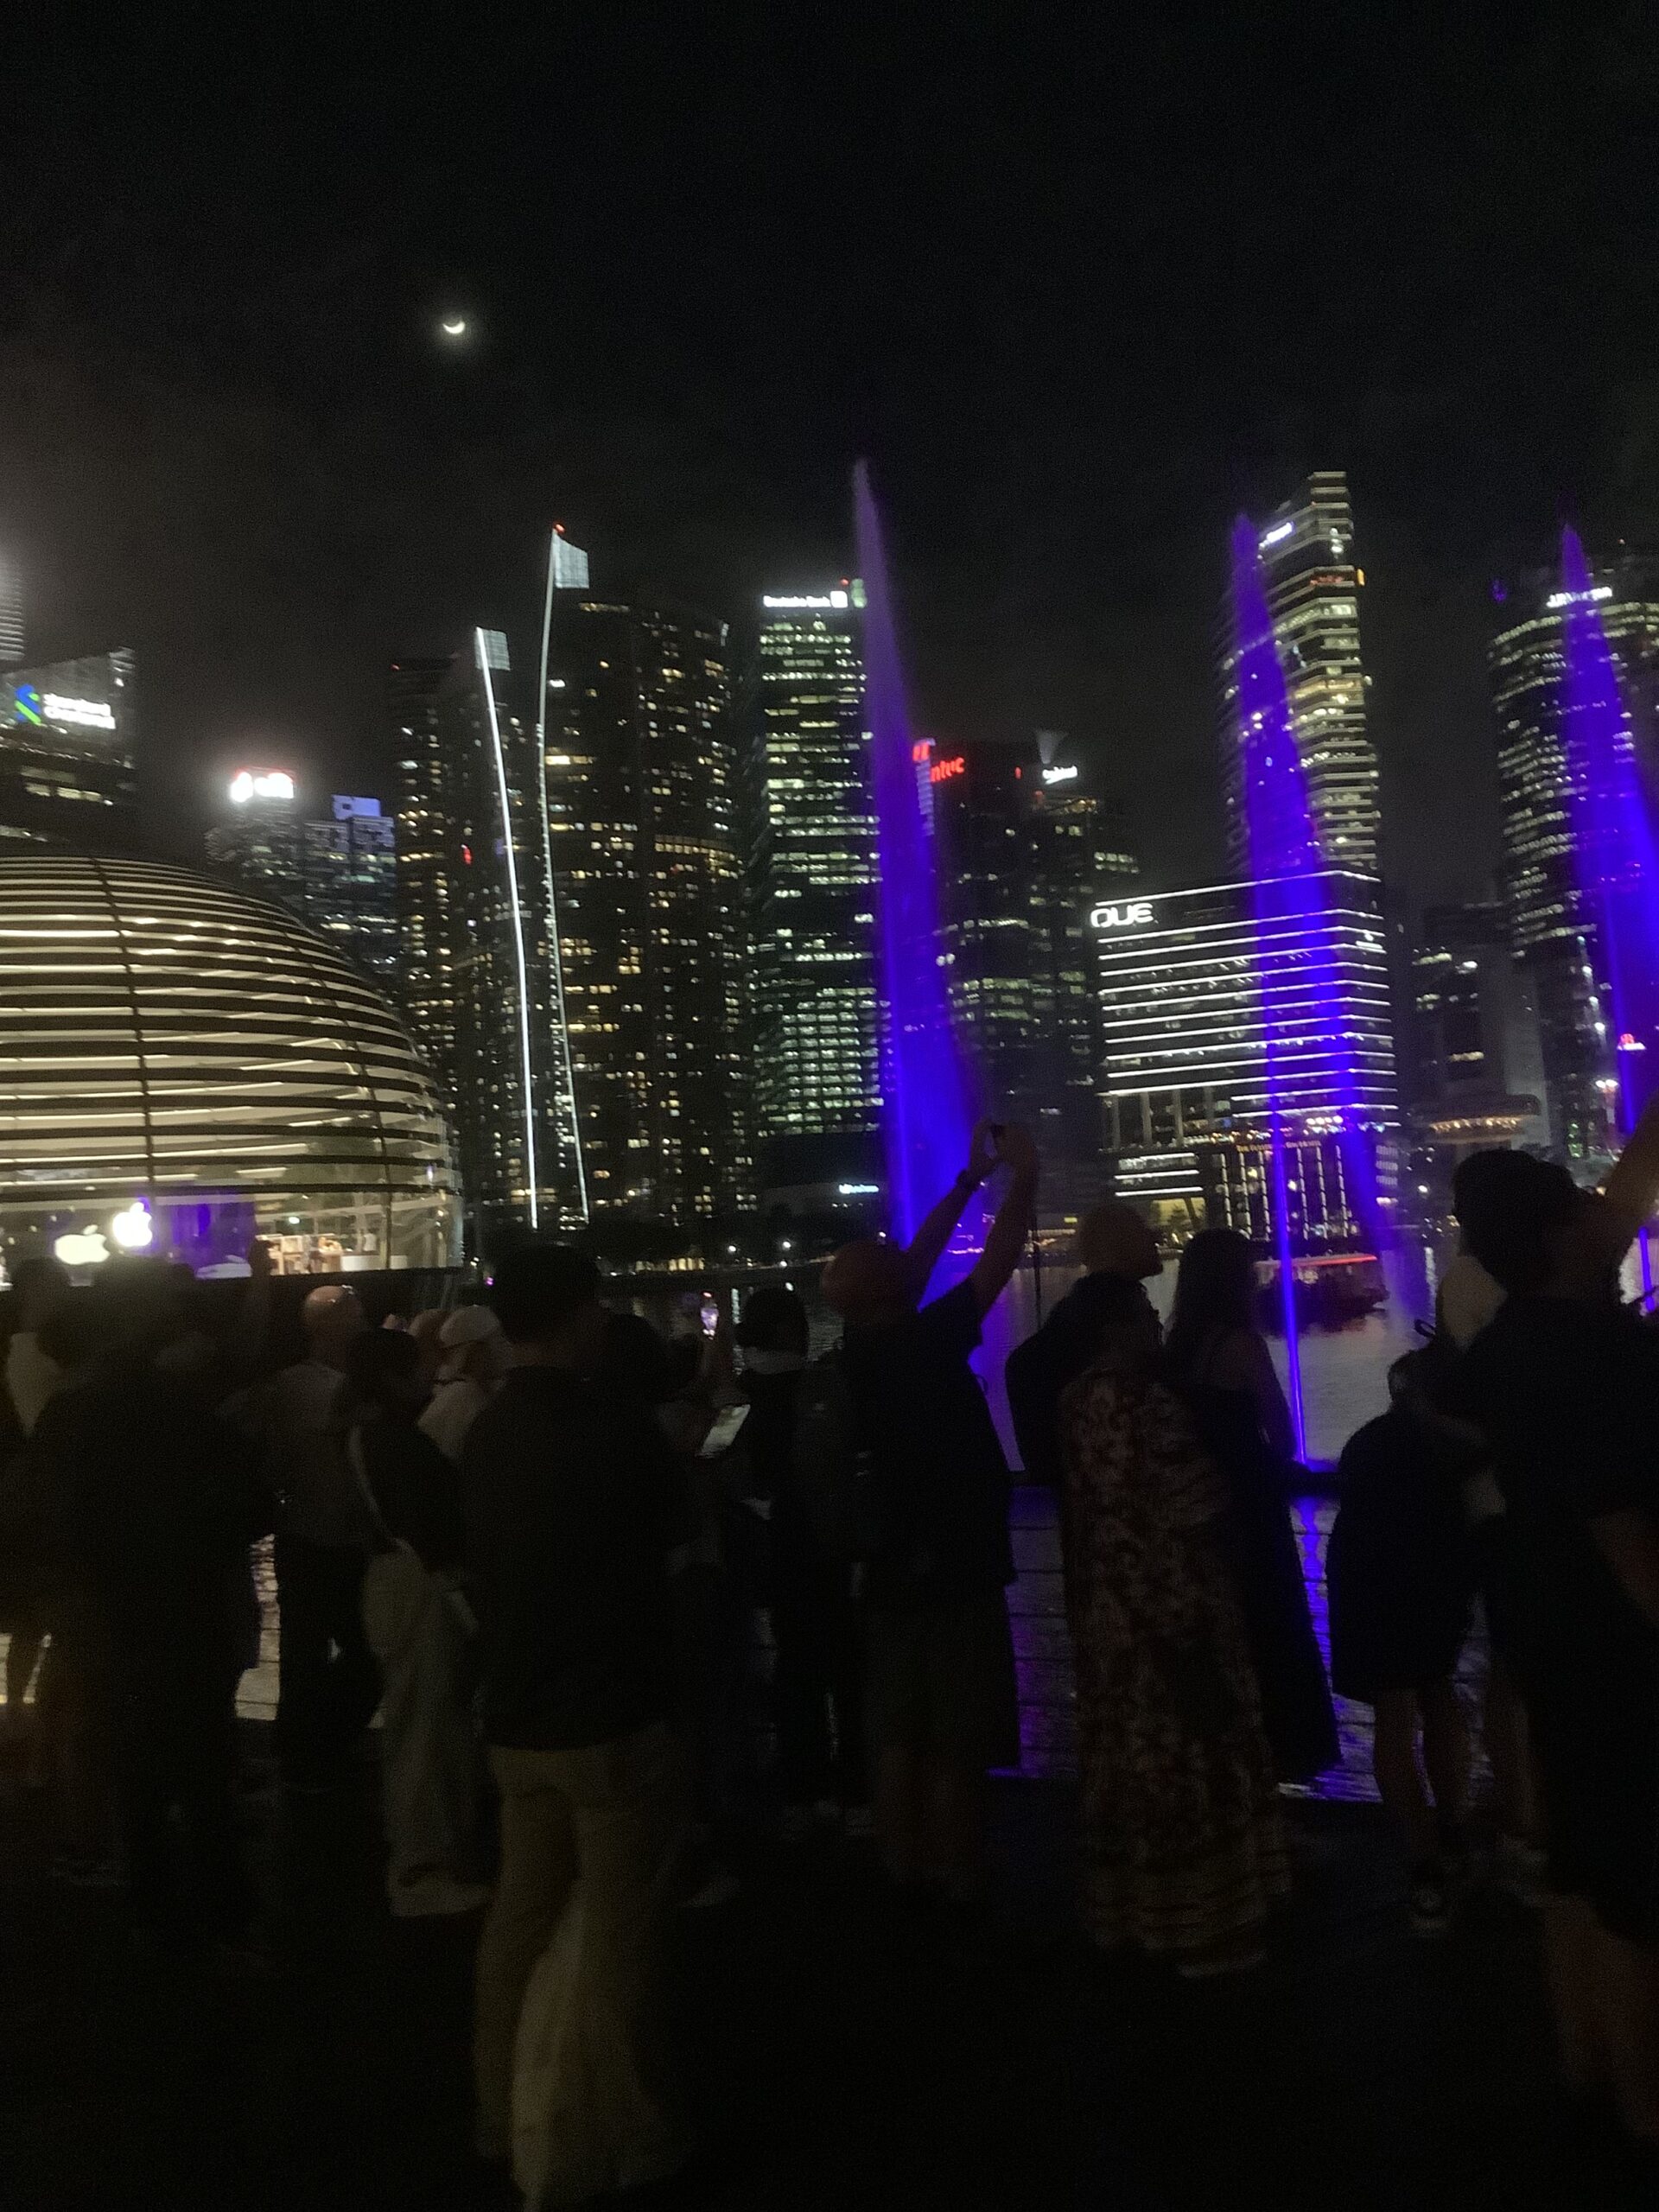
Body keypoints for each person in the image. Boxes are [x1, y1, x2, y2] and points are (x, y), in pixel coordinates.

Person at [464, 1246, 694, 2203]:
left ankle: (497, 2113)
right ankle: (632, 2132)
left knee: (518, 1919)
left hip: (517, 1715)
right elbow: (673, 1538)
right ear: (575, 1316)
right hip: (608, 1715)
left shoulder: (489, 1429)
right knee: (622, 1932)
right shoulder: (612, 1427)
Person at [1446, 1127, 1659, 2154]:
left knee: (1575, 1856)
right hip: (1622, 1638)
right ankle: (1647, 2105)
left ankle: (1586, 2066)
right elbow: (1624, 1530)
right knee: (1639, 1881)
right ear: (1557, 1233)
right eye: (1582, 1202)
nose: (1602, 1215)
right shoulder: (1593, 1352)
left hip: (1543, 1620)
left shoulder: (1508, 1341)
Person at [822, 1118, 1038, 1907]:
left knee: (898, 1733)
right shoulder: (926, 1343)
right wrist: (1025, 1178)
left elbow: (910, 1265)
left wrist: (967, 1182)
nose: (906, 1256)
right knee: (956, 1734)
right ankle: (959, 1872)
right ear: (890, 1291)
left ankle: (901, 1868)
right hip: (952, 1566)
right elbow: (997, 1261)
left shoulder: (853, 1355)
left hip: (885, 1573)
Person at [32, 1266, 266, 1943]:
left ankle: (152, 1904)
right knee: (202, 1760)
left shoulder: (71, 1415)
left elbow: (50, 1515)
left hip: (109, 1608)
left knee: (131, 1757)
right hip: (189, 1603)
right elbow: (249, 1506)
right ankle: (223, 1908)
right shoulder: (188, 1412)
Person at [1061, 1292, 1288, 1976]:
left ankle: (1136, 1912)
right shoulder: (1149, 1402)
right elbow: (1196, 1504)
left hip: (1111, 1606)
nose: (1156, 1324)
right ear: (1116, 1328)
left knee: (1127, 1755)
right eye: (1143, 1315)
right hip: (1178, 1599)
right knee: (1197, 1752)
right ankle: (1210, 1924)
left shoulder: (1075, 1400)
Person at [1162, 1228, 1338, 1783]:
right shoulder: (1241, 1346)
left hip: (1202, 1507)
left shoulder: (1176, 1350)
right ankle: (1287, 1758)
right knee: (1273, 1626)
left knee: (1223, 1635)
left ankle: (1227, 1770)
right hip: (1253, 1504)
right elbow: (1281, 1435)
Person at [1327, 1355, 1478, 1935]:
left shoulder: (1367, 1444)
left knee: (1394, 1720)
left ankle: (1424, 1864)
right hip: (1431, 1582)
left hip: (1369, 1585)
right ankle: (1453, 1833)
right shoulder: (1453, 1449)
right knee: (1439, 1697)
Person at [346, 1329, 486, 1917]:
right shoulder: (396, 1441)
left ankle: (423, 1856)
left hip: (391, 1579)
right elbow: (436, 1523)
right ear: (392, 1376)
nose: (431, 1375)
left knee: (418, 1722)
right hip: (418, 1582)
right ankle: (422, 1868)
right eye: (418, 1366)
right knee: (429, 1727)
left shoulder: (363, 1434)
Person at [235, 1279, 380, 1792]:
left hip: (308, 1531)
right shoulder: (315, 1388)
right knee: (351, 1651)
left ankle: (307, 1750)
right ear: (330, 1327)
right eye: (355, 1320)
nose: (362, 1328)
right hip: (326, 1536)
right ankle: (315, 1749)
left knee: (307, 1653)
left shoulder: (289, 1385)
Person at [738, 1284, 866, 1834]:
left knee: (795, 1669)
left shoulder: (739, 1397)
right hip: (832, 1550)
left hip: (776, 1556)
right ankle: (857, 1790)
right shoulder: (825, 1386)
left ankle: (802, 1788)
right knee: (849, 1670)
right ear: (793, 1330)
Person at [1006, 1200, 1162, 1495]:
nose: (1156, 1238)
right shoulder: (1120, 1318)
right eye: (1144, 1232)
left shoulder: (1073, 1315)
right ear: (1120, 1244)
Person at [0, 1254, 71, 1735]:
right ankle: (39, 1717)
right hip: (48, 1499)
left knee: (30, 1617)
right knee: (50, 1615)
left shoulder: (18, 1352)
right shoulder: (43, 1357)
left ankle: (16, 1711)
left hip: (29, 1501)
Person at [418, 1305, 508, 1465]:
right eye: (499, 1339)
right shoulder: (464, 1397)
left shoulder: (462, 1392)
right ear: (476, 1351)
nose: (506, 1347)